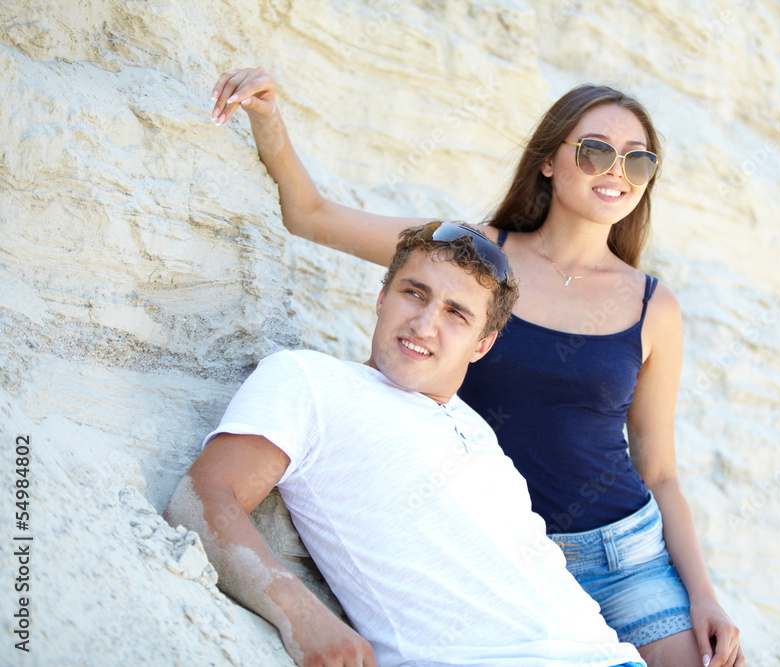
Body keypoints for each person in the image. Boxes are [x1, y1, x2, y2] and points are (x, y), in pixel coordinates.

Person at [208, 67, 744, 667]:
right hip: (501, 557)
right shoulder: (471, 260)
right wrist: (267, 117)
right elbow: (311, 215)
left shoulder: (654, 306)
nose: (616, 171)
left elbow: (660, 471)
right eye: (596, 151)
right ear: (549, 160)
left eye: (637, 160)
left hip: (624, 556)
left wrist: (704, 595)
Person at [164, 221, 647, 667]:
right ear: (381, 297)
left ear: (483, 344)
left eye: (456, 313)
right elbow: (199, 499)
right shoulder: (311, 380)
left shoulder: (478, 430)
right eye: (414, 293)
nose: (424, 324)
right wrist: (301, 614)